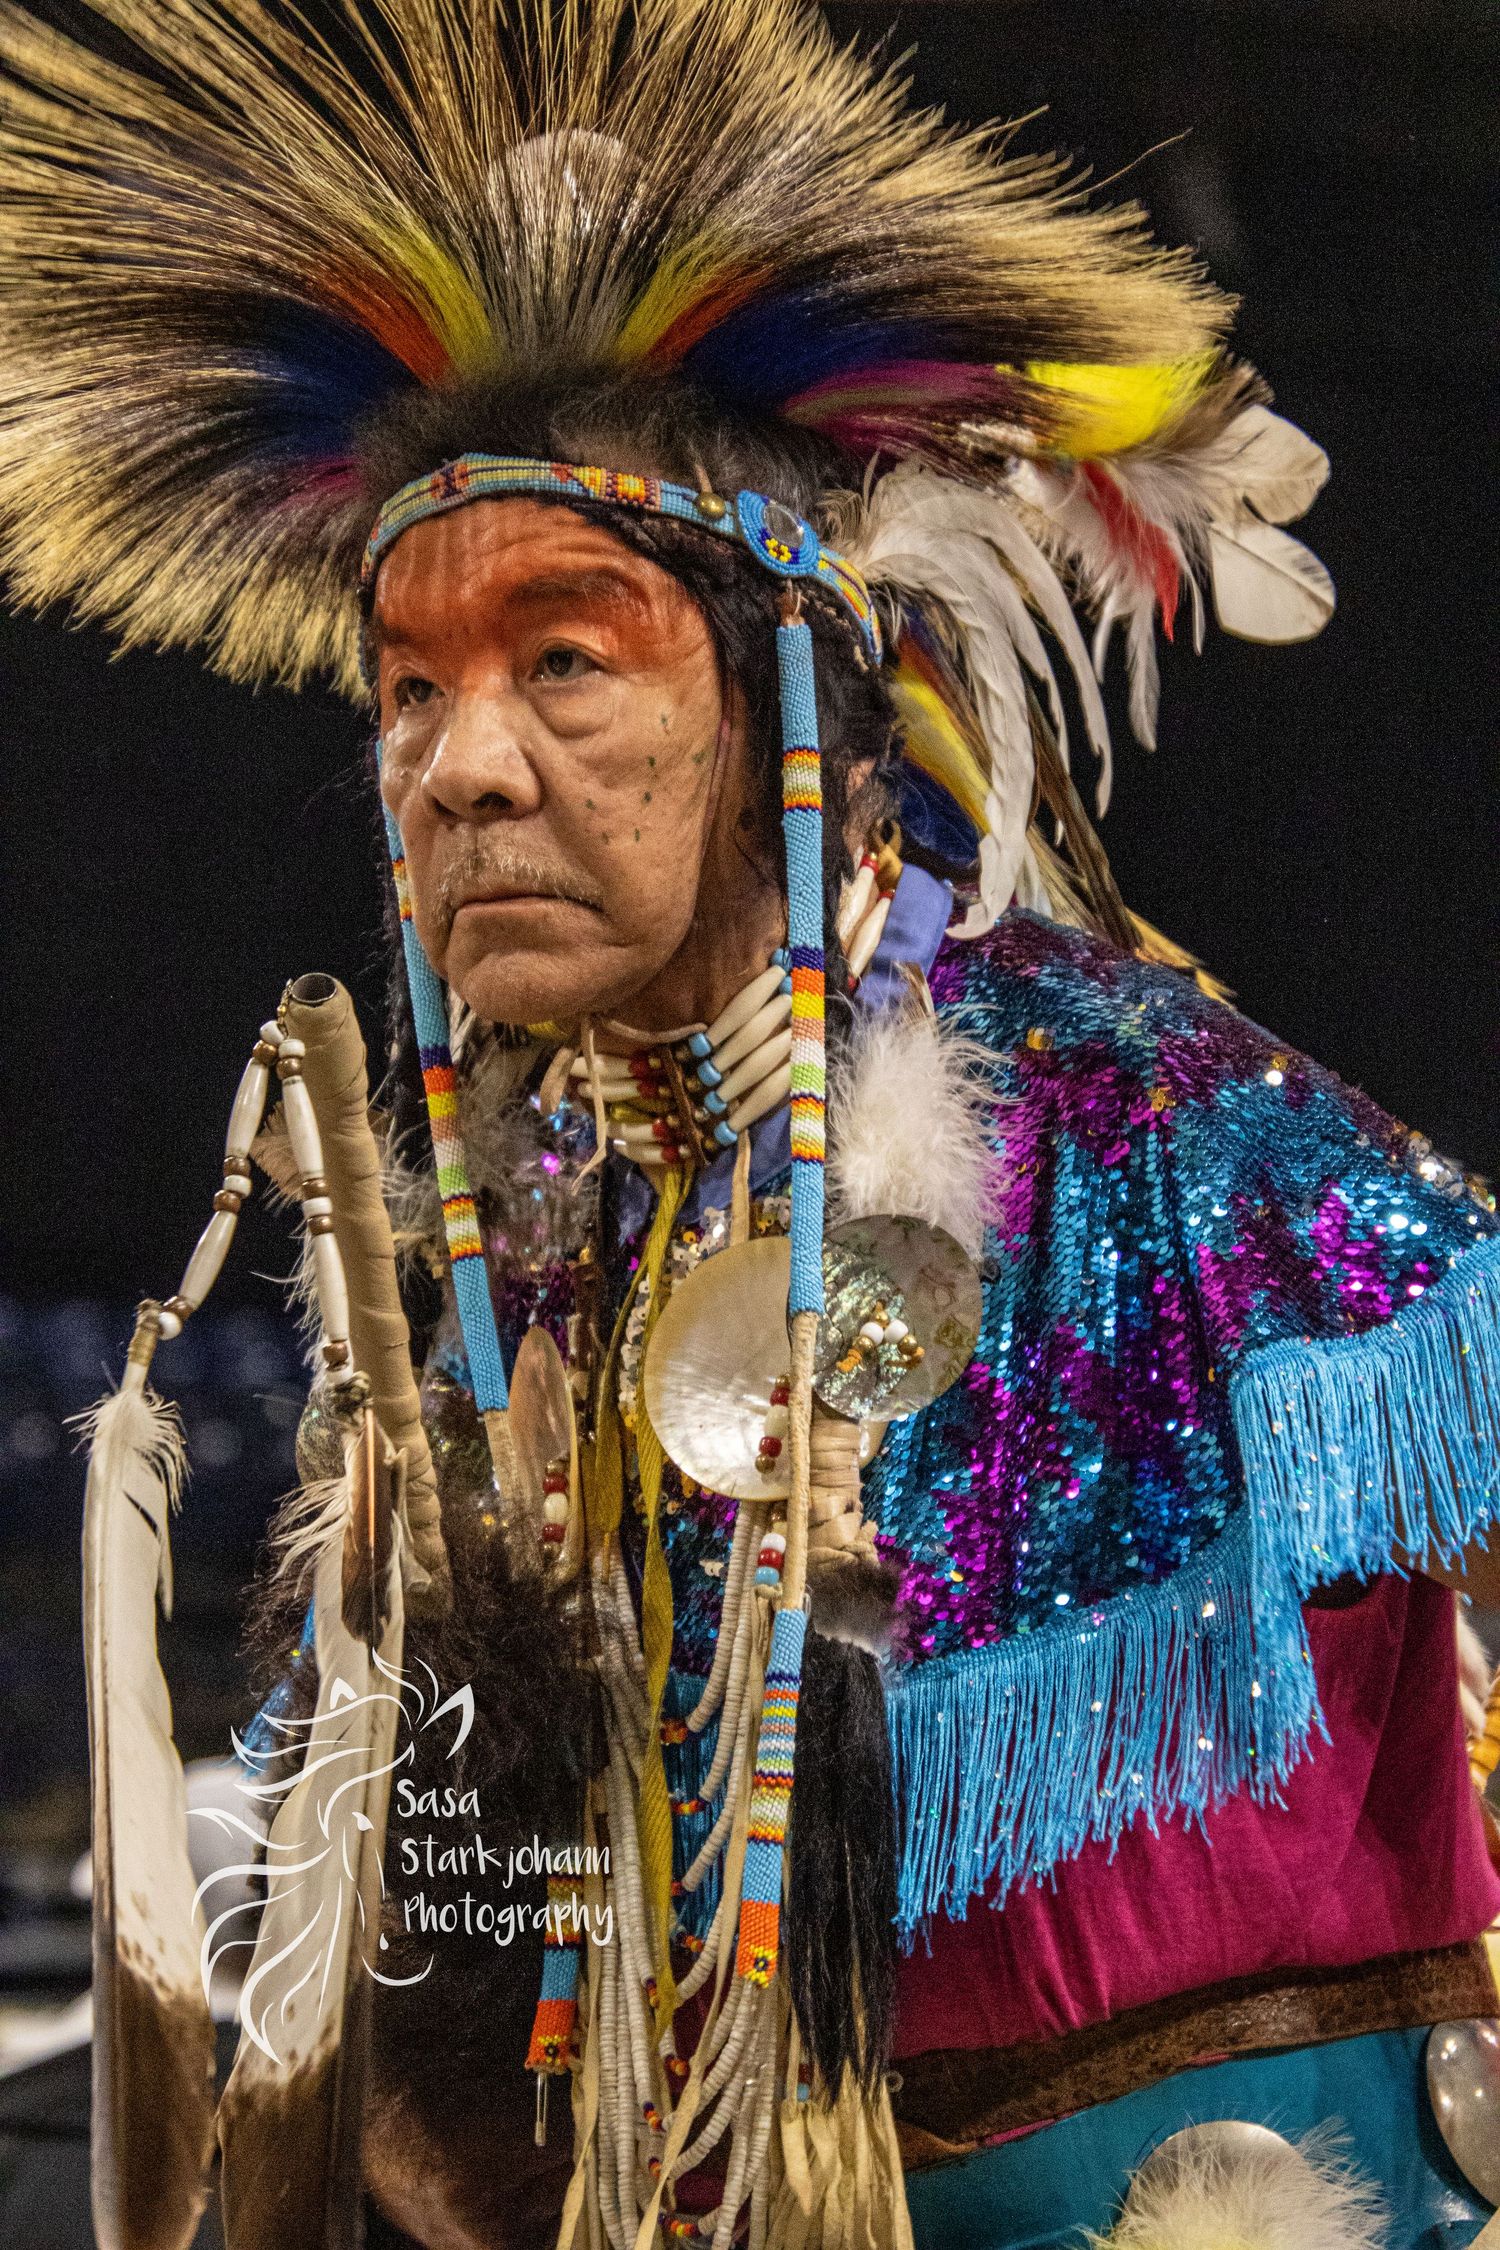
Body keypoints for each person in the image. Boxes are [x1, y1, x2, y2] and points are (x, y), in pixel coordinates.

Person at [4, 3, 1496, 2246]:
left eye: (564, 662)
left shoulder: (1136, 1118)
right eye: (409, 687)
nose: (457, 766)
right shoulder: (509, 1278)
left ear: (789, 698)